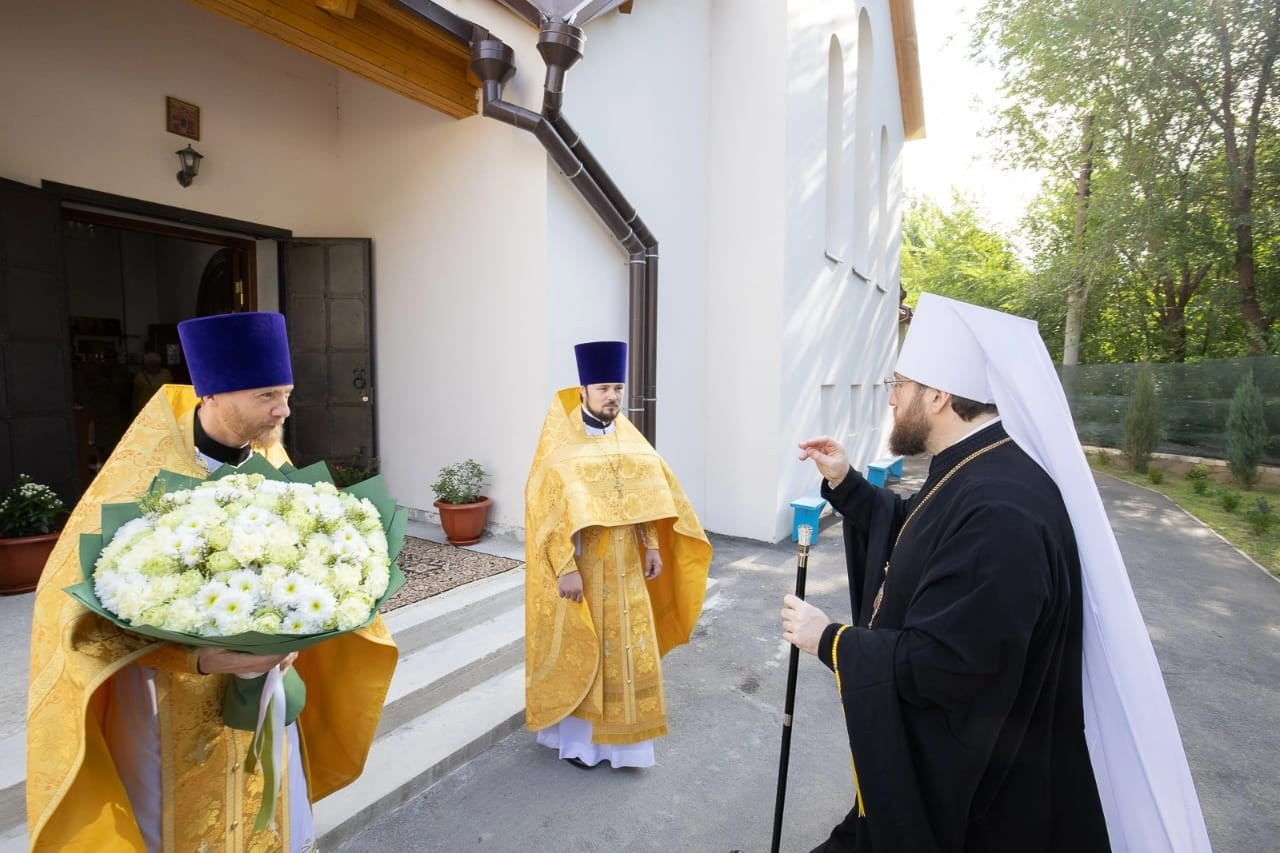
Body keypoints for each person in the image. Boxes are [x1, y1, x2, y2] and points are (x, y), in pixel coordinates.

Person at [783, 294, 1210, 852]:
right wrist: (847, 484)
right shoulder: (977, 466)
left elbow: (951, 663)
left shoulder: (1001, 509)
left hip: (977, 800)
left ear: (935, 396)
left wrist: (830, 640)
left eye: (899, 385)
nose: (890, 399)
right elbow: (923, 530)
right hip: (968, 773)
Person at [27, 312, 398, 852]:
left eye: (288, 392)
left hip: (264, 692)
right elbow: (77, 618)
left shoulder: (271, 454)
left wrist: (307, 623)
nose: (284, 410)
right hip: (164, 706)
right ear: (214, 395)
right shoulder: (140, 475)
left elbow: (315, 564)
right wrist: (196, 659)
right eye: (267, 394)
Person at [524, 340, 712, 769]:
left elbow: (646, 493)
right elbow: (546, 511)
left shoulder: (630, 439)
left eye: (618, 388)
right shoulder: (560, 446)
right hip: (585, 568)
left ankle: (623, 746)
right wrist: (565, 569)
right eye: (604, 388)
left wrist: (650, 544)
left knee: (625, 653)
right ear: (584, 390)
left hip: (627, 567)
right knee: (590, 650)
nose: (613, 396)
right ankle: (580, 745)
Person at [131, 351, 173, 415]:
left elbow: (171, 391)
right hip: (145, 408)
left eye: (156, 364)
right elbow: (135, 395)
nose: (153, 367)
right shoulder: (140, 376)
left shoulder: (166, 373)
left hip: (162, 408)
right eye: (150, 365)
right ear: (146, 365)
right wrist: (134, 411)